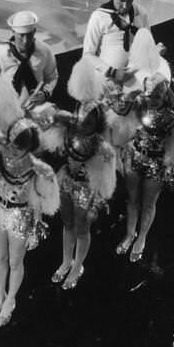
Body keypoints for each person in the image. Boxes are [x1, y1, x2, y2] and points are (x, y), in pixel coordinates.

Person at [0, 120, 58, 326]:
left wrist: (36, 225)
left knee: (15, 262)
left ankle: (10, 299)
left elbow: (38, 195)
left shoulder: (36, 167)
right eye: (12, 143)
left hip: (20, 215)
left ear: (29, 148)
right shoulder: (0, 151)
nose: (13, 150)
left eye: (19, 147)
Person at [117, 77, 174, 261]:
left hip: (156, 164)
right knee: (132, 199)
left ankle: (141, 237)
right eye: (149, 95)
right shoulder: (138, 105)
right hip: (135, 157)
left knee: (149, 203)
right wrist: (130, 96)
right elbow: (118, 111)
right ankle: (129, 233)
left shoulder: (173, 118)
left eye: (157, 96)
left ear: (165, 96)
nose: (152, 100)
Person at [47, 101, 116, 290]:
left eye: (89, 122)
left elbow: (106, 180)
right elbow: (49, 129)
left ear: (97, 123)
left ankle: (77, 266)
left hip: (86, 189)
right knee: (67, 224)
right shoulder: (68, 132)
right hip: (66, 183)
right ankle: (66, 261)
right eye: (81, 120)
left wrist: (96, 204)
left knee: (82, 228)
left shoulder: (102, 147)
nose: (84, 125)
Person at [0, 10, 58, 136]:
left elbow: (52, 77)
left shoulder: (45, 51)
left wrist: (45, 93)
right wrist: (0, 107)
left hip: (35, 112)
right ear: (13, 32)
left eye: (29, 35)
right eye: (21, 36)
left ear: (34, 32)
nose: (25, 41)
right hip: (7, 115)